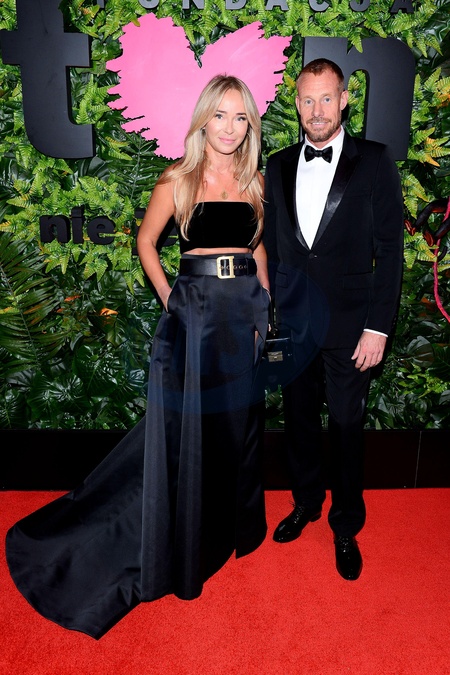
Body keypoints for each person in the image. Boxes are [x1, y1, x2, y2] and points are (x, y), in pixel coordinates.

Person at [6, 75, 270, 638]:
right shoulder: (178, 178)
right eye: (220, 115)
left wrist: (264, 308)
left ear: (250, 125)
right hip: (197, 318)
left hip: (242, 316)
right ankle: (171, 539)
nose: (229, 128)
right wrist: (171, 297)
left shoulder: (254, 180)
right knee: (188, 434)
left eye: (240, 117)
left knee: (234, 429)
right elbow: (146, 241)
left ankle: (223, 529)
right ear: (204, 119)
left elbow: (256, 247)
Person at [263, 58, 404, 580]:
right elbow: (272, 248)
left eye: (327, 98)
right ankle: (306, 503)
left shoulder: (375, 160)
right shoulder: (277, 164)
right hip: (295, 325)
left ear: (344, 100)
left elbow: (390, 251)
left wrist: (378, 327)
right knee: (299, 422)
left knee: (346, 427)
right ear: (296, 103)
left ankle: (345, 524)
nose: (317, 110)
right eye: (308, 99)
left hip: (352, 327)